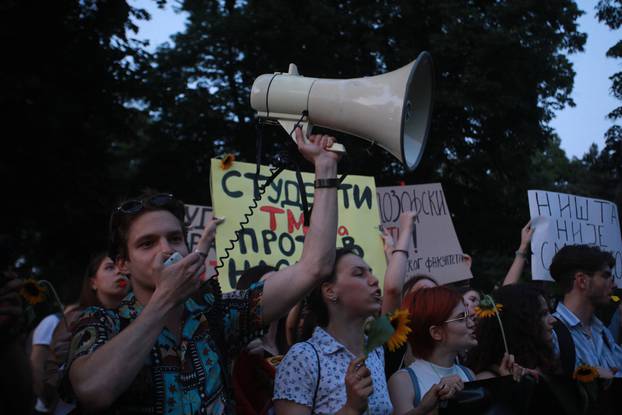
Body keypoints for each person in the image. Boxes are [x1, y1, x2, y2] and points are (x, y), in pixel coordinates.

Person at [66, 129, 342, 414]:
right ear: (124, 263)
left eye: (174, 239)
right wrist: (164, 300)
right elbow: (92, 391)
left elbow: (315, 265)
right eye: (147, 243)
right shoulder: (101, 322)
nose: (166, 250)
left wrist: (325, 166)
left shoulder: (218, 316)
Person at [273, 248, 393, 414]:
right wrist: (350, 408)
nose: (374, 280)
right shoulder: (302, 358)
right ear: (330, 291)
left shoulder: (376, 351)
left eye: (371, 273)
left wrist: (423, 409)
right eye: (359, 274)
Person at [388, 286, 476, 415]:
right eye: (461, 317)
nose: (472, 324)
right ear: (436, 332)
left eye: (469, 316)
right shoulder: (403, 381)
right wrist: (428, 408)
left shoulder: (468, 374)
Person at [549, 244, 622, 378]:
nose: (614, 284)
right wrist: (593, 373)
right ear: (582, 281)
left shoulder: (603, 332)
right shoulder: (551, 332)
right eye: (605, 276)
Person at [466, 284, 555, 379]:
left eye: (549, 312)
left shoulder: (543, 362)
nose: (553, 320)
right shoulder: (487, 378)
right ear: (521, 323)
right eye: (543, 314)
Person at [232, 265, 289, 415]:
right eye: (271, 285)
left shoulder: (298, 346)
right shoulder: (240, 351)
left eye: (284, 283)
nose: (280, 289)